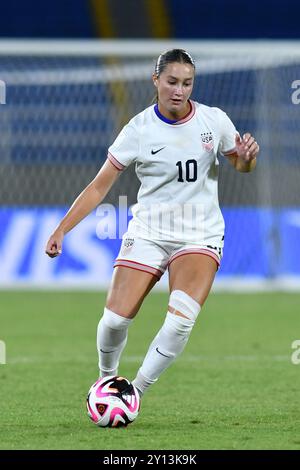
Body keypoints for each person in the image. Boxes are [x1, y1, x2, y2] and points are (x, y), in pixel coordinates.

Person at [45, 49, 259, 399]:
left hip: (199, 233)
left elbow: (240, 164)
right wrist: (62, 228)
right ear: (155, 80)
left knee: (180, 321)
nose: (179, 90)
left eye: (187, 83)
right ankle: (105, 382)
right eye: (172, 81)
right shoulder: (138, 130)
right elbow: (99, 186)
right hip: (149, 231)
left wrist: (248, 159)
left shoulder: (214, 121)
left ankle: (134, 393)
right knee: (114, 321)